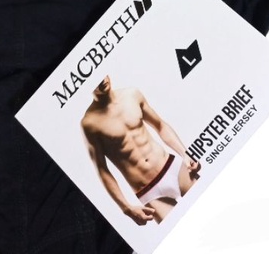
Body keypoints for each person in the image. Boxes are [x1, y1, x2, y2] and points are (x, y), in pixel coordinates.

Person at [81, 76, 200, 225]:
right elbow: (102, 169)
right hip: (150, 192)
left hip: (173, 167)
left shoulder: (131, 94)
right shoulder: (89, 123)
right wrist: (126, 208)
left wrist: (185, 153)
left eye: (102, 76)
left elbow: (160, 125)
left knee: (211, 204)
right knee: (182, 232)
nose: (101, 81)